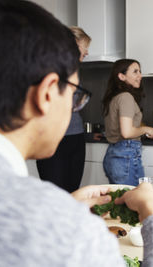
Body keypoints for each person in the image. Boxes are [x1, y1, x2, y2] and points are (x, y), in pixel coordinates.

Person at [0, 1, 153, 266]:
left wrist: (62, 206)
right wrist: (152, 216)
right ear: (46, 94)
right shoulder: (71, 233)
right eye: (75, 95)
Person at [36, 26, 91, 193]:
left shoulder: (74, 71)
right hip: (54, 139)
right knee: (55, 193)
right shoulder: (47, 69)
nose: (87, 52)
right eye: (84, 46)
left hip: (75, 137)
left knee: (72, 192)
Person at [101, 59, 153, 186]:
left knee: (123, 201)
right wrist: (146, 129)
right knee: (133, 202)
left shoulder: (115, 97)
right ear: (121, 76)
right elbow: (126, 132)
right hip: (125, 155)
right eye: (135, 72)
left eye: (140, 71)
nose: (140, 76)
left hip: (116, 154)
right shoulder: (126, 97)